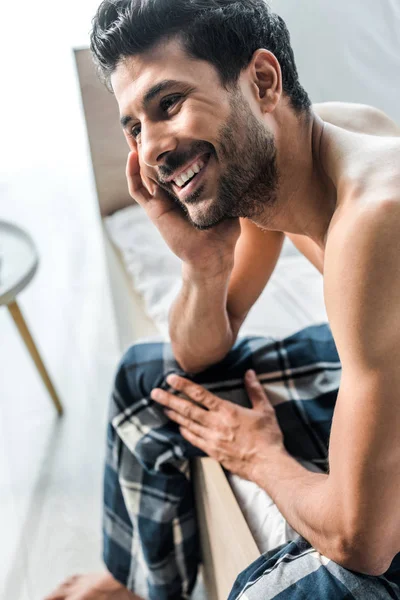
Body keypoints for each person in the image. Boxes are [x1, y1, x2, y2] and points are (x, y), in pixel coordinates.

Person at [45, 0, 400, 599]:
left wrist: (260, 456)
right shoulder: (280, 169)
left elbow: (362, 540)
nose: (151, 147)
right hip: (380, 365)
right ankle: (137, 584)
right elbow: (199, 355)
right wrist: (202, 264)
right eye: (135, 126)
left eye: (169, 104)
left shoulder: (374, 217)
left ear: (261, 81)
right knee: (146, 380)